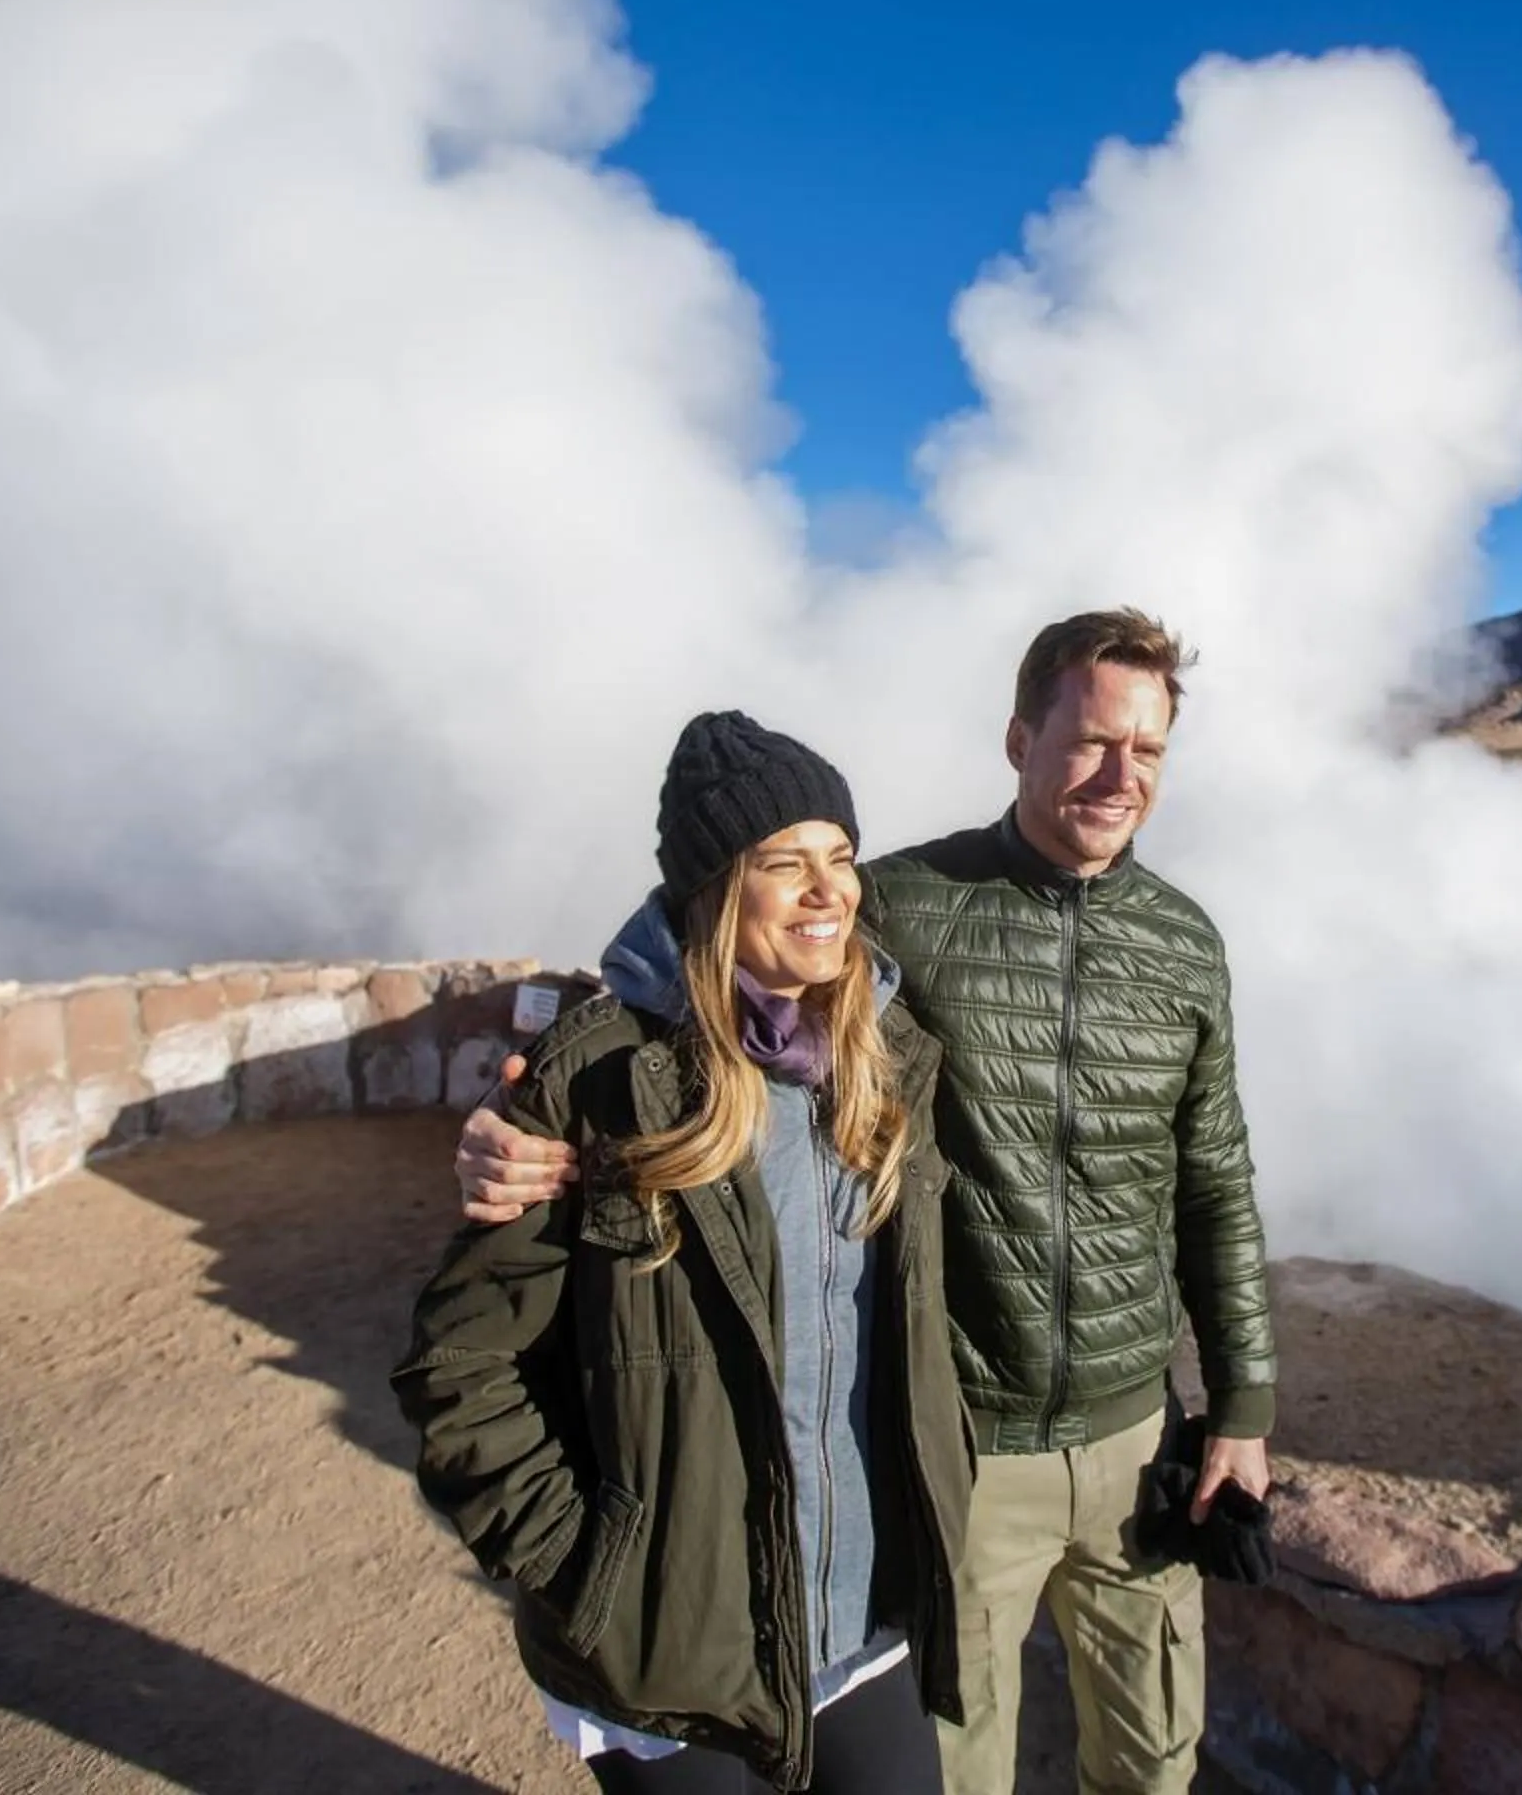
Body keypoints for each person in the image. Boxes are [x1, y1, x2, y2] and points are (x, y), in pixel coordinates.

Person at [461, 609, 1278, 1795]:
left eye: (1147, 750)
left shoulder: (1185, 941)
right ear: (1019, 738)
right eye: (1094, 739)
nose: (1119, 774)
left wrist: (1242, 1403)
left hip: (1135, 1443)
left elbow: (1217, 1176)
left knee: (1153, 1757)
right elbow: (698, 962)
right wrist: (528, 1112)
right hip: (965, 1446)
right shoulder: (901, 904)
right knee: (959, 1761)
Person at [395, 712, 973, 1795]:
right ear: (716, 887)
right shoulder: (605, 1078)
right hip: (673, 1639)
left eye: (841, 857)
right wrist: (590, 1566)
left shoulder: (884, 1062)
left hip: (863, 1603)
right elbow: (460, 1369)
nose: (829, 890)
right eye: (783, 862)